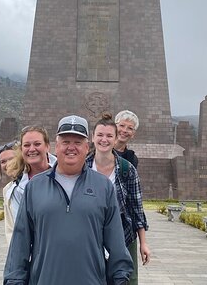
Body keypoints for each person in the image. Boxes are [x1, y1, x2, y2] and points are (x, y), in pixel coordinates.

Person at [4, 115, 133, 285]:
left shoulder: (103, 187)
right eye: (65, 142)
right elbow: (19, 243)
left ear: (87, 147)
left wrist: (121, 278)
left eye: (78, 142)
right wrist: (14, 280)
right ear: (56, 147)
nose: (71, 148)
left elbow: (116, 242)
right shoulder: (35, 187)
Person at [87, 113, 150, 285]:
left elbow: (136, 208)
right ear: (92, 137)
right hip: (89, 237)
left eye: (109, 136)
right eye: (100, 135)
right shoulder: (82, 167)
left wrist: (143, 243)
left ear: (114, 139)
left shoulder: (127, 169)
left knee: (126, 280)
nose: (104, 139)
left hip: (123, 235)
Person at [3, 126, 56, 243]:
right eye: (27, 145)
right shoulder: (15, 189)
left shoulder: (65, 175)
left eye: (37, 144)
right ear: (21, 149)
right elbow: (16, 231)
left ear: (47, 146)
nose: (32, 149)